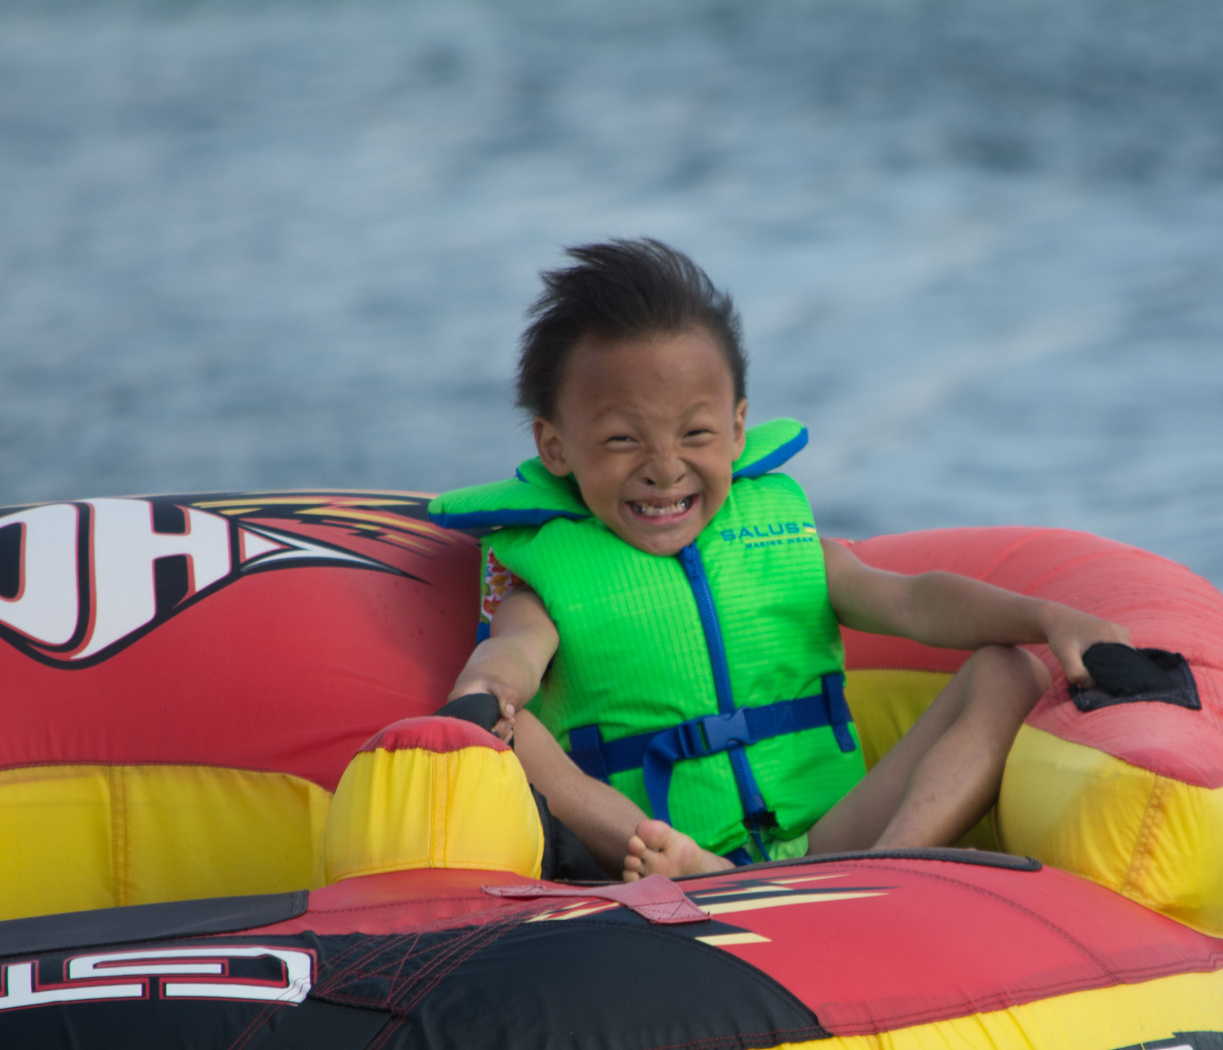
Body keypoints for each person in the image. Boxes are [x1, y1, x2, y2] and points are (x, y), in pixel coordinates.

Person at [430, 239, 1128, 880]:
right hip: (662, 842)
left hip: (830, 836)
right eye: (621, 441)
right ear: (555, 448)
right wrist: (483, 692)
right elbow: (510, 655)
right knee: (511, 733)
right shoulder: (548, 578)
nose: (665, 468)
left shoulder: (780, 540)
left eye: (695, 432)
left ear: (737, 427)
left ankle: (888, 869)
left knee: (1007, 667)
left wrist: (1049, 616)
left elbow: (915, 600)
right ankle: (693, 865)